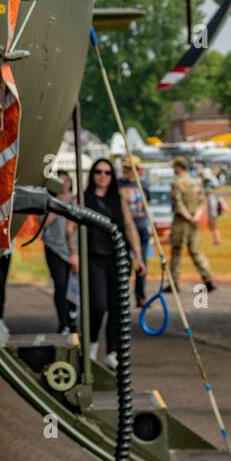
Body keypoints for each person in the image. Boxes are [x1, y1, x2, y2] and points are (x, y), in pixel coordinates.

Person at [82, 158, 144, 370]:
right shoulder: (83, 199)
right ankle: (90, 349)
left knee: (118, 308)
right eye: (98, 172)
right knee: (98, 306)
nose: (102, 176)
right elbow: (71, 230)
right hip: (94, 259)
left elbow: (129, 227)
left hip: (117, 258)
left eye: (107, 173)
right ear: (92, 175)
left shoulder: (119, 199)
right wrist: (72, 253)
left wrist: (138, 255)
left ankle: (111, 352)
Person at [168, 157, 216, 294]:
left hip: (181, 221)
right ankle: (208, 279)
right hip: (194, 221)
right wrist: (196, 216)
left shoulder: (177, 183)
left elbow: (178, 203)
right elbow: (202, 201)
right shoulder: (196, 182)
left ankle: (174, 282)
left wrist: (188, 216)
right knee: (196, 251)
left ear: (178, 167)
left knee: (176, 252)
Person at [42, 174, 77, 333]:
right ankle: (63, 323)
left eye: (67, 180)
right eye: (60, 181)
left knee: (74, 285)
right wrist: (59, 205)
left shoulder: (76, 199)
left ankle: (72, 317)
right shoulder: (49, 200)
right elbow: (43, 223)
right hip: (54, 247)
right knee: (61, 284)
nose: (64, 184)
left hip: (73, 249)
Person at [118, 157, 152, 306]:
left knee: (142, 263)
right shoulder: (118, 184)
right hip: (125, 230)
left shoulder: (143, 184)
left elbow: (147, 202)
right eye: (125, 168)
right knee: (124, 264)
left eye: (130, 168)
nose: (127, 172)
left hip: (141, 227)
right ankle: (122, 297)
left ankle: (140, 296)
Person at [205, 175, 225, 246]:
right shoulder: (212, 197)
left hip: (213, 215)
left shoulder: (211, 198)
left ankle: (217, 240)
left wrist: (213, 215)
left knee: (215, 227)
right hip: (214, 214)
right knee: (214, 228)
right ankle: (216, 240)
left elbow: (213, 207)